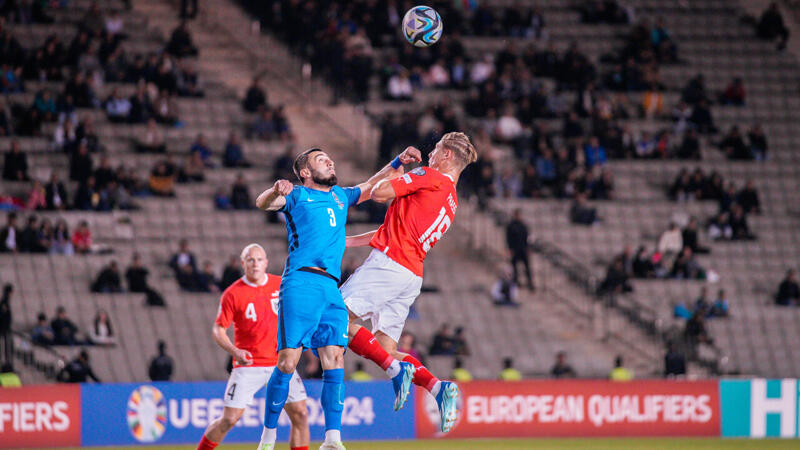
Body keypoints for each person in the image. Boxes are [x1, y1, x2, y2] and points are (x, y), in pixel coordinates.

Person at [254, 145, 409, 450]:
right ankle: (268, 437)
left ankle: (332, 440)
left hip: (331, 288)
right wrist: (275, 191)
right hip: (301, 281)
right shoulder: (297, 195)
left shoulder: (341, 196)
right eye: (321, 160)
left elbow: (370, 185)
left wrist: (397, 161)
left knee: (335, 358)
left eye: (329, 158)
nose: (330, 161)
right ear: (305, 173)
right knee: (288, 362)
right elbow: (263, 203)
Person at [341, 132, 478, 434]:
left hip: (390, 265)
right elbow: (393, 229)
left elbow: (379, 193)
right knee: (386, 348)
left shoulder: (430, 176)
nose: (430, 155)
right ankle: (437, 387)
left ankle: (393, 372)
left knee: (336, 318)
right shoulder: (452, 200)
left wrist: (396, 170)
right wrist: (346, 242)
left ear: (447, 157)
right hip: (410, 275)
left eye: (436, 150)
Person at [197, 244, 309, 450]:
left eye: (259, 259)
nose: (255, 264)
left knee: (301, 414)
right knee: (229, 419)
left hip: (281, 363)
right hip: (249, 365)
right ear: (243, 264)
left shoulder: (281, 284)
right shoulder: (232, 293)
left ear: (266, 262)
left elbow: (299, 312)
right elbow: (218, 330)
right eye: (250, 260)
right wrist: (235, 352)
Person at [505, 208, 534, 290]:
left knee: (527, 266)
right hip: (515, 248)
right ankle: (515, 281)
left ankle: (530, 282)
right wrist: (510, 248)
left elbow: (527, 237)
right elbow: (508, 238)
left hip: (523, 248)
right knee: (514, 266)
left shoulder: (523, 225)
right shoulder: (511, 226)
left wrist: (528, 248)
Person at [0, 285, 12, 366]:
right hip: (4, 328)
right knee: (5, 346)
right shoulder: (4, 301)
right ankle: (6, 364)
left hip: (5, 328)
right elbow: (3, 313)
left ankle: (7, 363)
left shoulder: (5, 300)